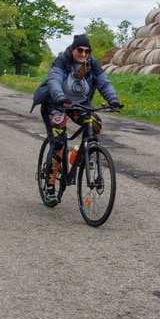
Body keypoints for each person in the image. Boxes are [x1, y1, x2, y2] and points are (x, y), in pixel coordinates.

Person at [31, 34, 122, 201]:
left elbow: (104, 82)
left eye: (87, 51)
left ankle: (80, 154)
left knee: (95, 122)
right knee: (58, 143)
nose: (83, 54)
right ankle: (50, 187)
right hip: (56, 104)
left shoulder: (92, 64)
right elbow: (54, 80)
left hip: (79, 105)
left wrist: (113, 100)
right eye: (80, 50)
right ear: (73, 49)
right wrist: (60, 97)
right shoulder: (61, 61)